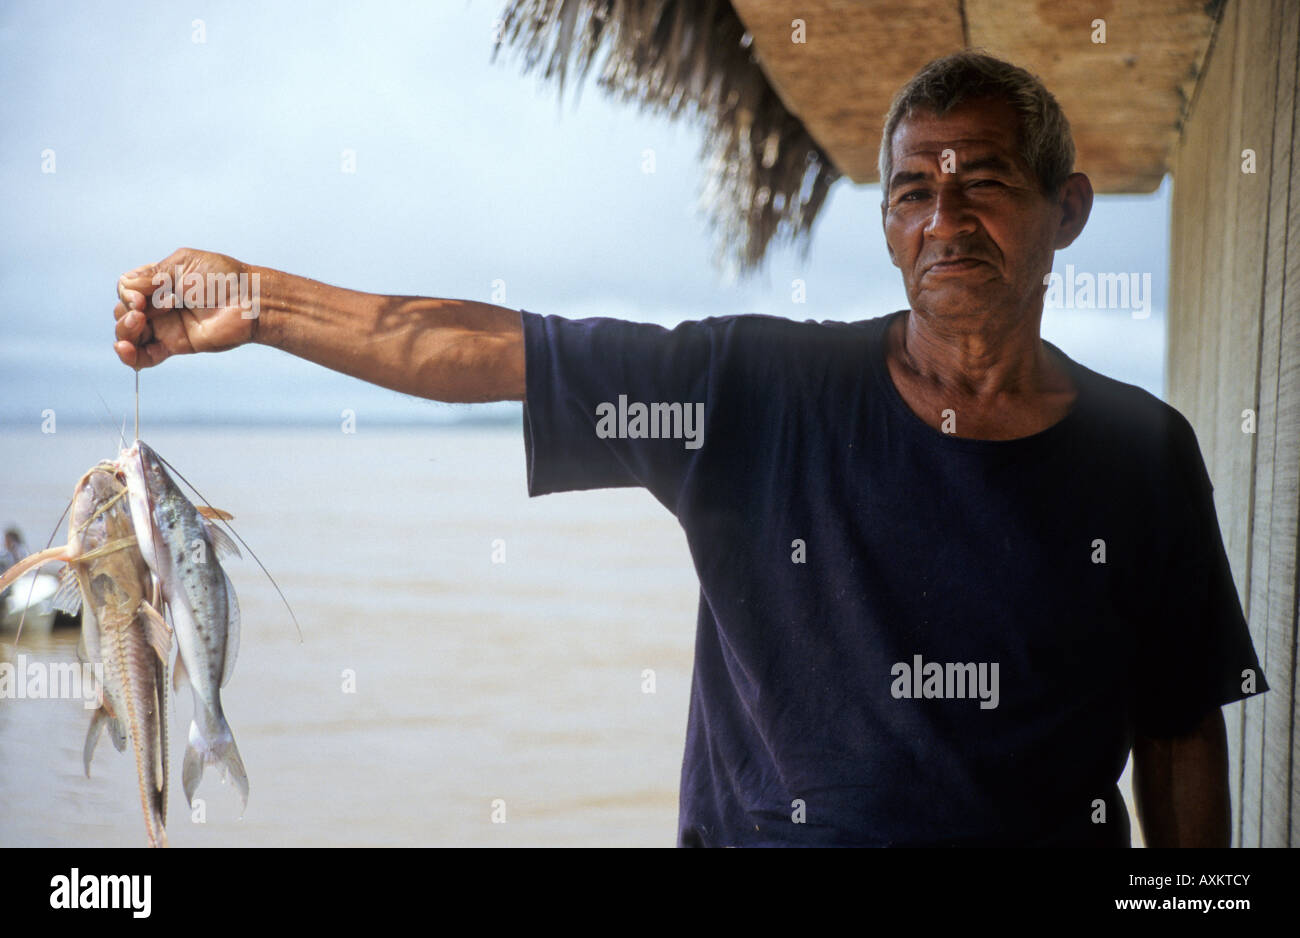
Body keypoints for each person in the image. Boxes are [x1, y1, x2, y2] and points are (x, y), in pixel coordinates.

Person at [112, 51, 1267, 847]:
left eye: (987, 182)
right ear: (884, 222)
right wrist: (255, 300)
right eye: (912, 189)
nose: (944, 219)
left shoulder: (1140, 454)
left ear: (1066, 210)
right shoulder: (752, 391)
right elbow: (483, 346)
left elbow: (1176, 730)